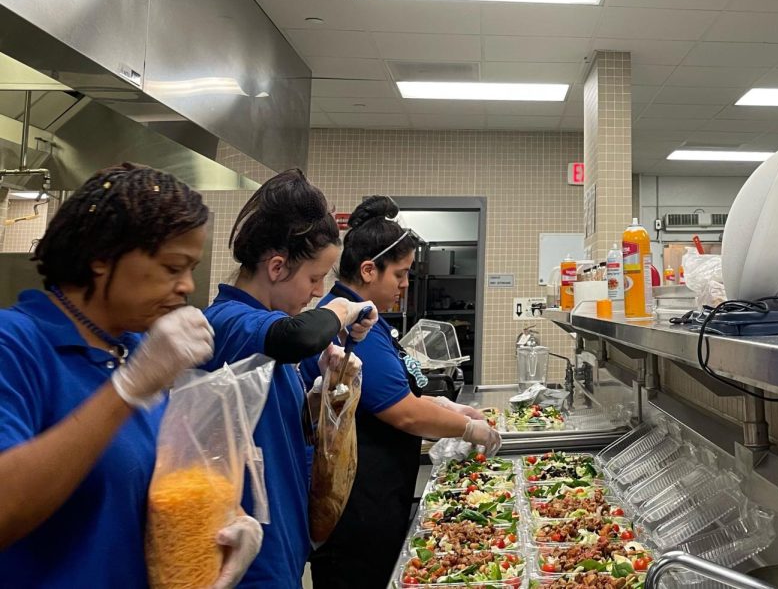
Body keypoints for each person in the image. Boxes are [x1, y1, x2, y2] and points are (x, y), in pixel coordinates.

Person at [0, 163, 261, 588]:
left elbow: (156, 486)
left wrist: (232, 523)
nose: (185, 286)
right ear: (102, 257)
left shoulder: (133, 351)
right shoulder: (16, 345)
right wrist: (128, 389)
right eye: (173, 267)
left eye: (190, 269)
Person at [300, 195, 501, 589]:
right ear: (369, 270)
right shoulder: (350, 325)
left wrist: (441, 405)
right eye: (401, 274)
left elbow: (388, 396)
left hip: (376, 497)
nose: (407, 284)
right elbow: (403, 413)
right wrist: (467, 428)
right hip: (357, 506)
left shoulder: (365, 319)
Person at [202, 169, 377, 588]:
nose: (318, 292)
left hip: (283, 544)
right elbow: (294, 336)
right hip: (248, 564)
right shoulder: (228, 322)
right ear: (277, 267)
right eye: (315, 279)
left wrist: (325, 381)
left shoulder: (267, 337)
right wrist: (343, 310)